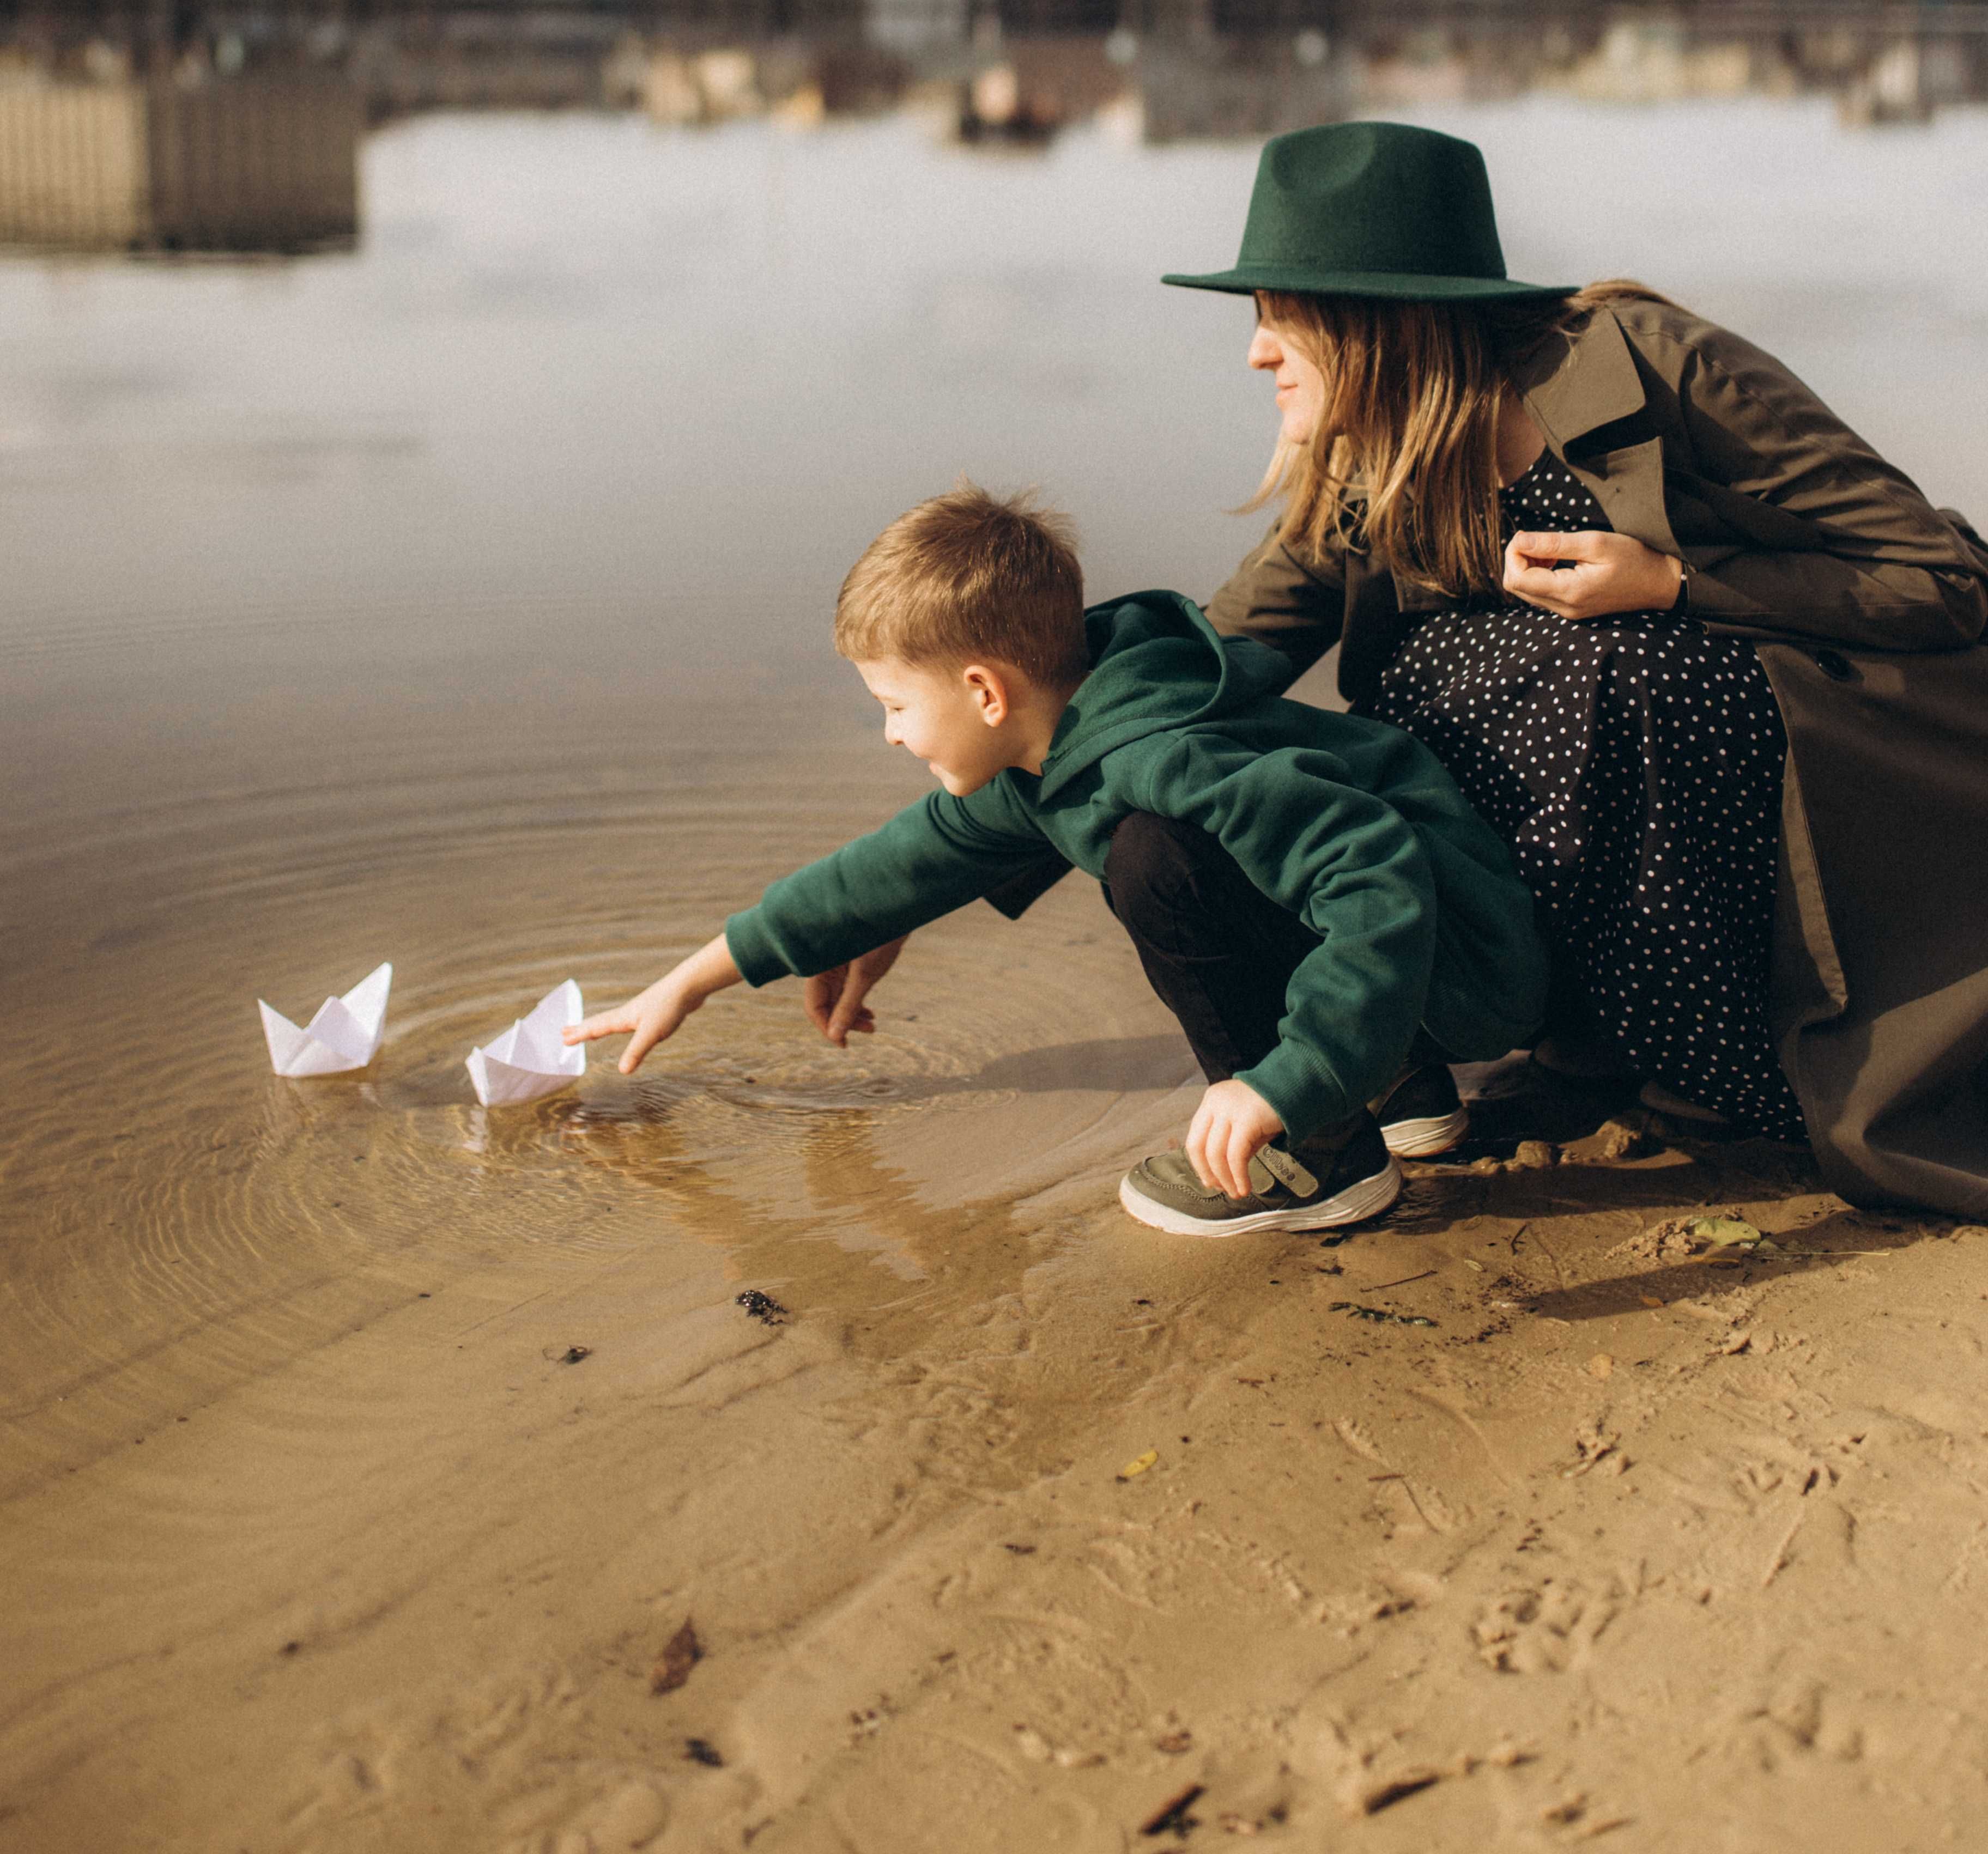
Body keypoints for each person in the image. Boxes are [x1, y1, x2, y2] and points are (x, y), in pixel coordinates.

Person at [1161, 119, 1988, 1218]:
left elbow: (1947, 577)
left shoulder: (1657, 362)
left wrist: (1675, 585)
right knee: (1317, 736)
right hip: (1578, 847)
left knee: (1608, 671)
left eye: (1281, 320)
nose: (1258, 354)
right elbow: (1210, 667)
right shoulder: (1375, 450)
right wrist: (983, 767)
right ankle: (1523, 1039)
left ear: (1380, 320)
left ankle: (1718, 1066)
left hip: (1813, 789)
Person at [568, 483, 1548, 1238]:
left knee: (1154, 863)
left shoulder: (1156, 755)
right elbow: (896, 865)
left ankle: (1318, 1151)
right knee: (1164, 855)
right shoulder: (1066, 742)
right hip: (1423, 975)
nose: (890, 737)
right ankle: (1395, 1086)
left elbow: (1371, 875)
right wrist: (694, 980)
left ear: (986, 692)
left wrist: (1279, 1083)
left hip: (1466, 965)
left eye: (893, 707)